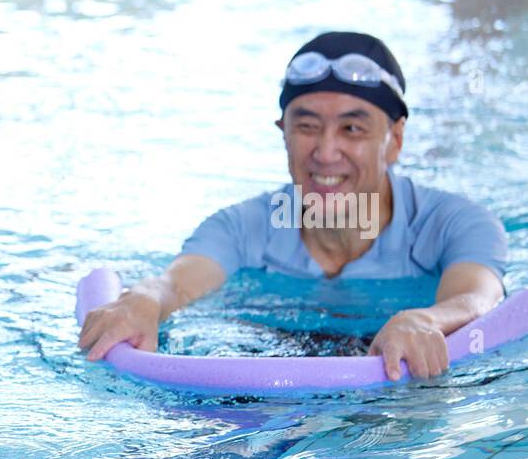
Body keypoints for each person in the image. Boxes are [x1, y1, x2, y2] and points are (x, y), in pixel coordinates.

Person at [78, 31, 508, 380]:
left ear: (394, 139)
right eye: (306, 126)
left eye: (352, 129)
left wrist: (425, 319)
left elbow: (478, 299)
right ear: (282, 131)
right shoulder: (241, 226)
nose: (325, 151)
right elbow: (176, 283)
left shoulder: (455, 223)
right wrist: (143, 299)